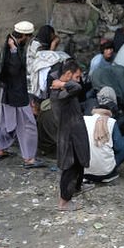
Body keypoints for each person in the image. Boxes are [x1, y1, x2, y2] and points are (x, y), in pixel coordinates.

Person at [0, 21, 44, 168]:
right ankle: (29, 159)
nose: (28, 39)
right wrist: (14, 51)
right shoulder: (12, 48)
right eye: (27, 37)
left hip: (8, 92)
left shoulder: (10, 43)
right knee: (28, 125)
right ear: (23, 36)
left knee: (5, 122)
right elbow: (14, 70)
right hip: (16, 93)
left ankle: (1, 149)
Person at [51, 60, 91, 210]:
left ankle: (77, 187)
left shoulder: (64, 89)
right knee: (70, 167)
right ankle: (64, 201)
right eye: (77, 76)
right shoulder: (60, 93)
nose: (79, 79)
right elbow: (77, 87)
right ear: (68, 74)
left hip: (75, 132)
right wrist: (62, 84)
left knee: (79, 163)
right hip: (69, 136)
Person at [83, 94, 124, 183]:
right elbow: (118, 147)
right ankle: (110, 173)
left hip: (83, 170)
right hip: (106, 172)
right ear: (109, 113)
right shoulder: (111, 122)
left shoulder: (84, 119)